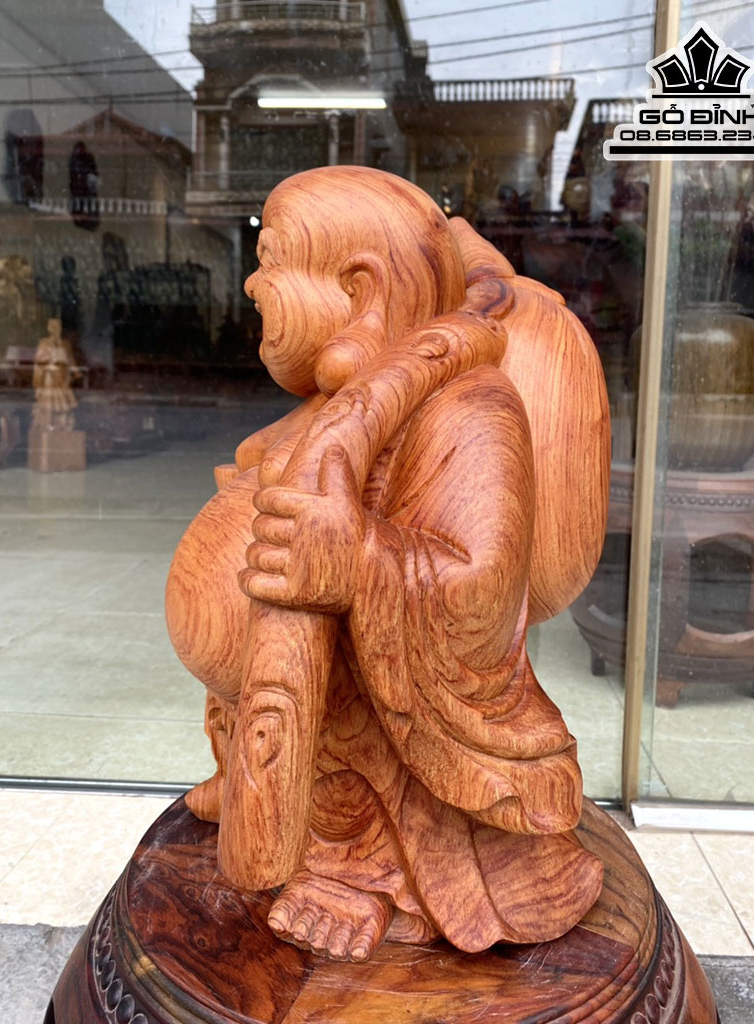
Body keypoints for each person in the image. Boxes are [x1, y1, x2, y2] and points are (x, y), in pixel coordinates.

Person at [166, 166, 609, 962]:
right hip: (277, 720)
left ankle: (366, 870)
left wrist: (360, 559)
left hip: (390, 740)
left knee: (359, 749)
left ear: (359, 290)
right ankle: (258, 788)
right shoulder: (348, 403)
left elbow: (481, 592)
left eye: (271, 262)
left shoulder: (470, 409)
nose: (253, 284)